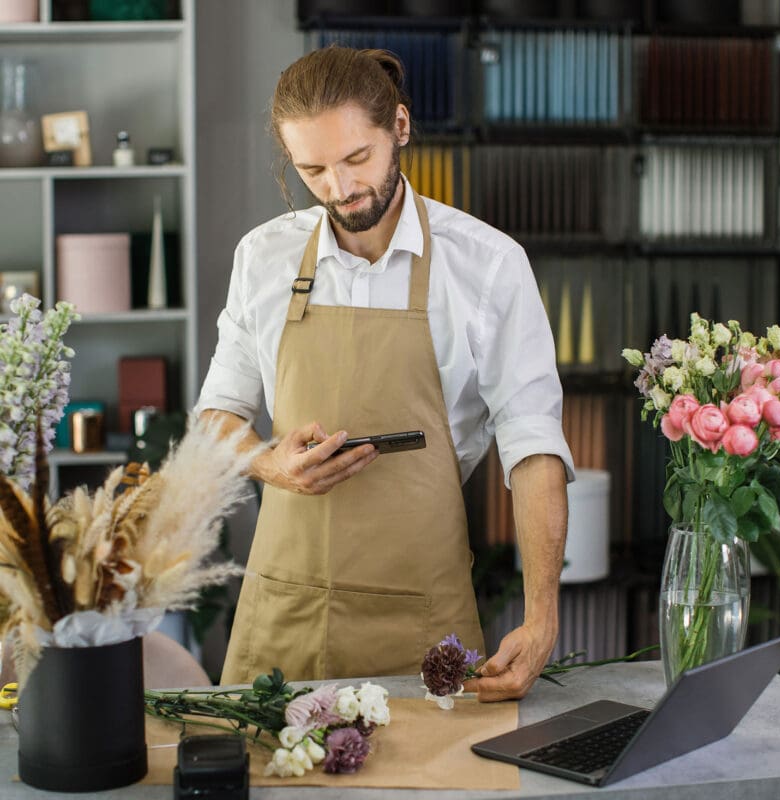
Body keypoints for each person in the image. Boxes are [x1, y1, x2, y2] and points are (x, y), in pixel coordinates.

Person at [197, 46, 574, 702]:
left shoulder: (488, 265)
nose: (339, 189)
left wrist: (542, 617)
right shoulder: (263, 257)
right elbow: (215, 416)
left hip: (423, 617)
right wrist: (267, 463)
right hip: (284, 612)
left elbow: (533, 445)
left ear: (399, 128)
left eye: (356, 159)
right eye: (312, 169)